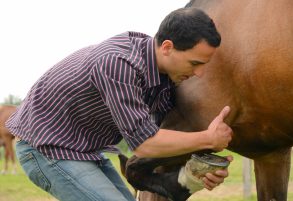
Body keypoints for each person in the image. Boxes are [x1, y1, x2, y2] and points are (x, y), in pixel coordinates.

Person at [6, 7, 233, 201]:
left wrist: (194, 175)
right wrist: (208, 139)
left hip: (83, 150)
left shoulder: (164, 77)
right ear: (167, 47)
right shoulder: (118, 63)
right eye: (195, 63)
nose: (200, 73)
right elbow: (145, 144)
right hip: (44, 148)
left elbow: (162, 136)